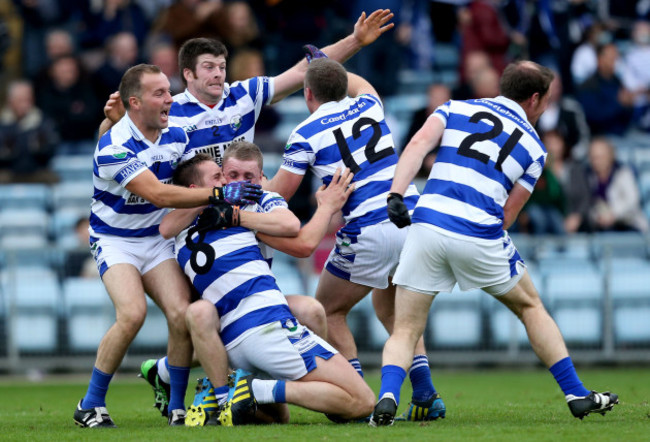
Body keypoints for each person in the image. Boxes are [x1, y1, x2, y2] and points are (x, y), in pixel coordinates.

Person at [100, 8, 396, 417]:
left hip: (245, 213)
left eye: (222, 66)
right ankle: (204, 393)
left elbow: (304, 70)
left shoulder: (245, 94)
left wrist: (355, 41)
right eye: (208, 67)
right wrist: (109, 124)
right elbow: (124, 139)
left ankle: (182, 376)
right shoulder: (173, 112)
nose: (218, 74)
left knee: (261, 322)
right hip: (200, 220)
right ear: (187, 75)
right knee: (199, 312)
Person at [370, 60, 619, 426]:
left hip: (428, 223)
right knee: (531, 307)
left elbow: (419, 144)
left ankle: (388, 398)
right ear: (534, 99)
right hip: (479, 232)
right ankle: (576, 393)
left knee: (406, 328)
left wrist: (395, 194)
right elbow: (508, 215)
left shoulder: (456, 107)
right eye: (546, 101)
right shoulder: (535, 149)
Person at [73, 63, 262, 429]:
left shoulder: (175, 131)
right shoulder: (114, 146)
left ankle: (176, 408)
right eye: (159, 93)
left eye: (168, 90)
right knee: (132, 314)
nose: (169, 99)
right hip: (116, 241)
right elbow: (159, 193)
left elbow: (198, 171)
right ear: (135, 102)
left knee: (181, 314)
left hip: (156, 238)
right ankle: (90, 404)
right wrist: (222, 192)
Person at [266, 57, 443, 422]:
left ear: (308, 93)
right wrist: (327, 62)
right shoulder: (369, 103)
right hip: (410, 216)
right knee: (392, 309)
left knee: (329, 310)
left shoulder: (304, 133)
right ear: (343, 85)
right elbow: (358, 83)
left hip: (369, 227)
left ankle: (357, 395)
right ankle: (424, 392)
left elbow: (277, 196)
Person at [162, 142, 374, 425]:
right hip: (264, 321)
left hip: (236, 330)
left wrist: (233, 211)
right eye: (229, 176)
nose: (236, 183)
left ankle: (214, 393)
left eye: (248, 178)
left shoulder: (252, 201)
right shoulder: (216, 206)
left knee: (280, 415)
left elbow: (291, 227)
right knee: (363, 401)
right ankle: (243, 390)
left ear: (261, 177)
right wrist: (326, 207)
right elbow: (301, 239)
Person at [0, 79, 59, 183]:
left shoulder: (42, 121)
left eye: (27, 100)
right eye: (20, 100)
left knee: (53, 180)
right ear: (10, 101)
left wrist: (41, 147)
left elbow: (52, 149)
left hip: (36, 172)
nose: (24, 104)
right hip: (8, 173)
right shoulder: (3, 122)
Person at [585, 137, 648, 233]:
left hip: (629, 226)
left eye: (601, 157)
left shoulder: (623, 173)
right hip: (600, 228)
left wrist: (613, 214)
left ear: (610, 155)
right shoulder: (588, 176)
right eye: (594, 157)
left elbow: (632, 201)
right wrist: (598, 217)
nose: (597, 161)